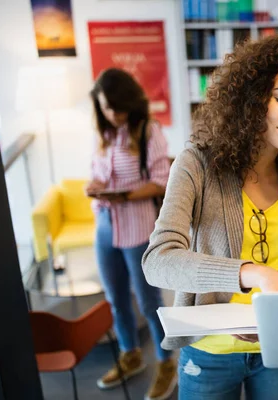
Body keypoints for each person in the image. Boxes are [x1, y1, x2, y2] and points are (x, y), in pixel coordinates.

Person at [141, 35, 278, 400]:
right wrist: (253, 273)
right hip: (209, 352)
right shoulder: (197, 164)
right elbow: (158, 260)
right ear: (253, 97)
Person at [86, 68, 176, 400]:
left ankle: (167, 362)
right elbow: (97, 173)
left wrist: (121, 195)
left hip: (138, 227)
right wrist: (95, 187)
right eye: (105, 108)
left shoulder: (149, 131)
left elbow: (162, 180)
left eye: (116, 107)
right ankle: (130, 354)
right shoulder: (104, 134)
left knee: (149, 300)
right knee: (115, 299)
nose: (112, 114)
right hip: (106, 226)